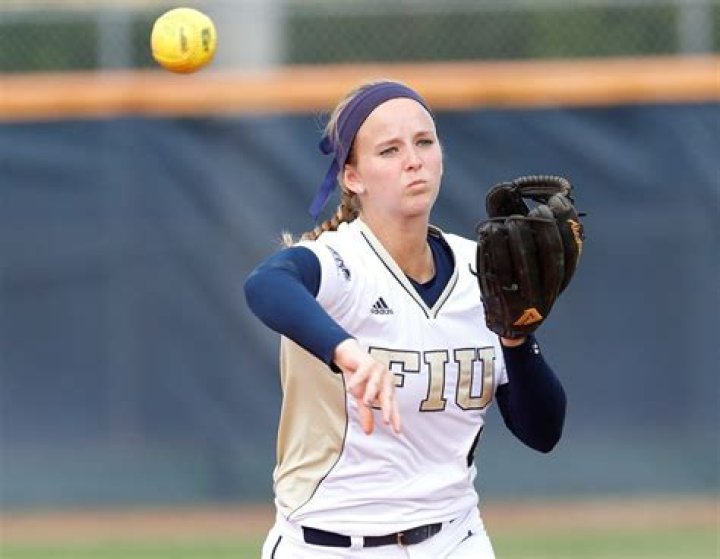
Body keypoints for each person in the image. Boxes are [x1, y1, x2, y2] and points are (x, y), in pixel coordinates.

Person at [244, 79, 567, 559]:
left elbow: (542, 432)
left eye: (424, 142)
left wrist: (519, 340)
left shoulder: (484, 270)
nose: (413, 160)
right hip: (327, 545)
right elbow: (265, 283)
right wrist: (347, 352)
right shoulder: (340, 264)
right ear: (352, 177)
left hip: (455, 539)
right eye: (389, 150)